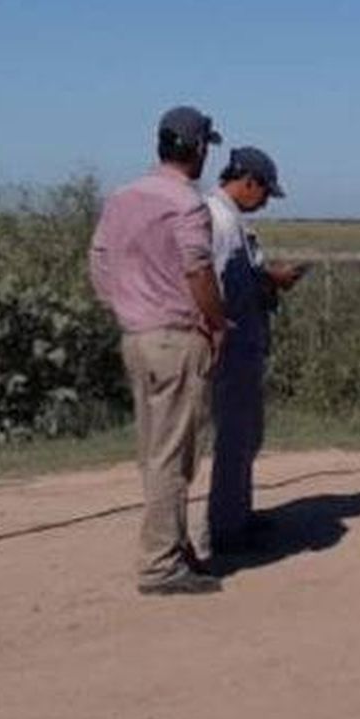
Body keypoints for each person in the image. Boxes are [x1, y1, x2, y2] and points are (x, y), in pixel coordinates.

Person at [89, 106, 228, 595]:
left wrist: (126, 307)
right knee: (175, 453)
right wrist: (217, 320)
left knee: (154, 450)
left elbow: (100, 264)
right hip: (177, 335)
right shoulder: (186, 204)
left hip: (136, 336)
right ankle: (161, 563)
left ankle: (173, 544)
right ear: (198, 148)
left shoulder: (122, 197)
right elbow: (197, 269)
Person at [203, 147, 306, 558]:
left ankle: (238, 514)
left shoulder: (232, 220)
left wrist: (269, 278)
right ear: (248, 182)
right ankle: (226, 529)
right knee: (234, 435)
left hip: (246, 340)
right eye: (264, 192)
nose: (265, 201)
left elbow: (241, 276)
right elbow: (212, 282)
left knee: (247, 434)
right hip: (231, 342)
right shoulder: (216, 219)